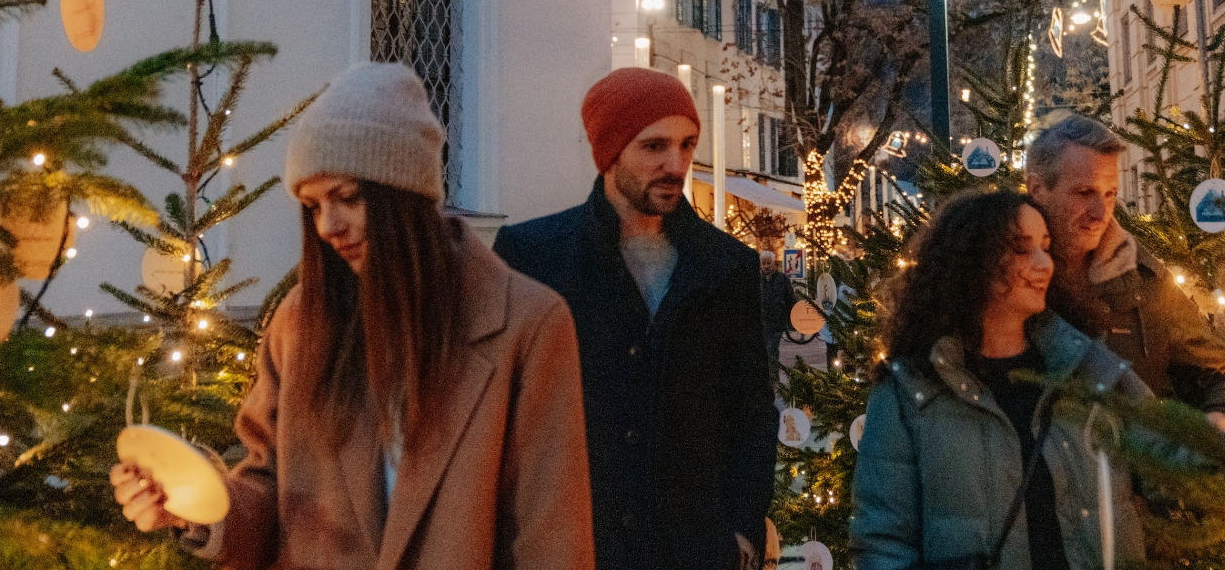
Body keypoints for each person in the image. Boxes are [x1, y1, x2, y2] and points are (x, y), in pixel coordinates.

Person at [110, 62, 594, 570]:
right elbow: (269, 489)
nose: (328, 227)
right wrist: (193, 506)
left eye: (348, 198)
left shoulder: (528, 324)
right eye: (312, 206)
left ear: (406, 196)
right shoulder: (297, 326)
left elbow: (551, 539)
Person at [494, 68, 776, 570]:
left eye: (687, 144)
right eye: (654, 146)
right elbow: (505, 411)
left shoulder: (726, 266)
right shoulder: (535, 256)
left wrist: (742, 532)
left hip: (693, 549)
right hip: (575, 543)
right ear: (609, 151)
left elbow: (750, 412)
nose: (677, 163)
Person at [850, 188, 1150, 570]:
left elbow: (1175, 456)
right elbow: (882, 542)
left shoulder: (1086, 367)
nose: (1045, 263)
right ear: (972, 262)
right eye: (1022, 249)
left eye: (1046, 246)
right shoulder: (910, 392)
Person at [1024, 114, 1225, 430]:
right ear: (1037, 189)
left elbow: (1222, 374)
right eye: (1084, 193)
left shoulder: (1145, 281)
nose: (1101, 213)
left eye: (1109, 194)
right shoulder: (1005, 281)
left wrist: (1217, 424)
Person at [759, 249, 795, 369]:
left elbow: (790, 299)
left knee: (772, 351)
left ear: (774, 263)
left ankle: (773, 378)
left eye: (768, 263)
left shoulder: (782, 279)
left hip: (776, 323)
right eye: (763, 263)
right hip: (761, 323)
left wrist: (792, 320)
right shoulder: (757, 280)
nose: (766, 266)